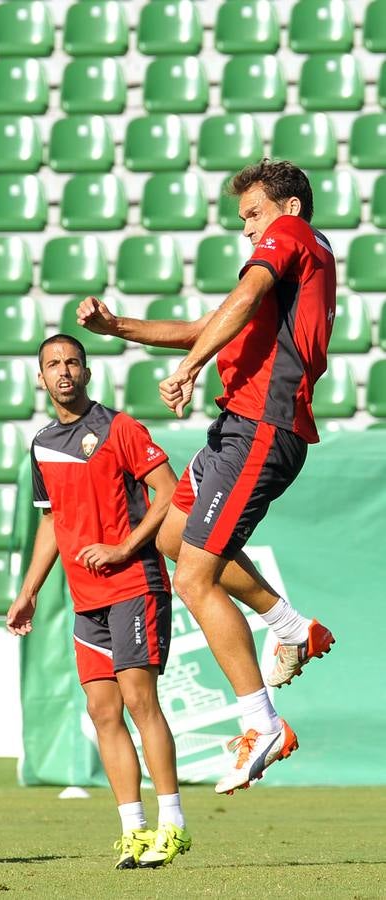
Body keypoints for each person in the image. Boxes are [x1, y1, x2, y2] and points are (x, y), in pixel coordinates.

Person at [77, 160, 336, 794]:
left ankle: (262, 724)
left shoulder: (295, 240)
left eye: (253, 214)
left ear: (290, 210)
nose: (247, 229)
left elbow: (236, 305)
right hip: (237, 428)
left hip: (262, 427)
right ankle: (291, 626)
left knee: (194, 575)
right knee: (171, 538)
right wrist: (119, 329)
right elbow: (208, 325)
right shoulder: (279, 273)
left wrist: (192, 369)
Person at [6, 334, 190, 869]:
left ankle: (172, 823)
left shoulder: (119, 427)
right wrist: (28, 592)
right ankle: (134, 831)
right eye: (52, 365)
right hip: (87, 598)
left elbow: (170, 490)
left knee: (139, 701)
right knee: (101, 710)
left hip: (134, 583)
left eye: (71, 362)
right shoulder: (41, 443)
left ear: (86, 372)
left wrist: (124, 547)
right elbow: (51, 520)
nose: (63, 371)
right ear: (40, 379)